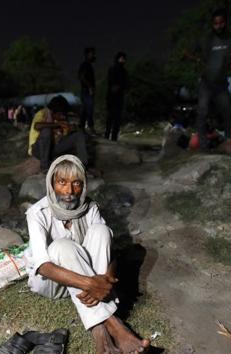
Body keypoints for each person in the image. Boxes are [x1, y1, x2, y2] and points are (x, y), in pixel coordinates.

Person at [24, 155, 150, 354]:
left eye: (76, 183)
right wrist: (92, 285)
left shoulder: (89, 208)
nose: (69, 191)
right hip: (52, 283)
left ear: (83, 186)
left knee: (102, 231)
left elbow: (110, 254)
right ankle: (115, 325)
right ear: (51, 183)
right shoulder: (38, 212)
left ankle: (101, 338)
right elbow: (44, 267)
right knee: (61, 246)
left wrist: (105, 280)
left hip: (86, 282)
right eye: (62, 182)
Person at [184, 8, 231, 149]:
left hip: (221, 84)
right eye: (215, 23)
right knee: (202, 112)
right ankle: (203, 146)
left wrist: (230, 65)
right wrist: (197, 59)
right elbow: (186, 52)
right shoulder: (206, 39)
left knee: (228, 111)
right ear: (212, 24)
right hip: (206, 83)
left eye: (221, 23)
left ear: (225, 23)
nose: (218, 26)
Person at [28, 95, 88, 172]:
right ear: (53, 111)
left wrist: (70, 129)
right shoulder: (42, 113)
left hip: (53, 150)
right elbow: (37, 126)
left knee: (78, 136)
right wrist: (58, 125)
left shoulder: (61, 120)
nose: (62, 116)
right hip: (38, 150)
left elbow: (63, 137)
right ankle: (44, 167)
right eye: (60, 114)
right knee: (46, 131)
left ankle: (83, 166)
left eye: (63, 114)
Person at [105, 52, 129, 141]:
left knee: (117, 119)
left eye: (123, 59)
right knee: (110, 118)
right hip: (111, 98)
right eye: (121, 58)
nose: (122, 60)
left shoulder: (124, 72)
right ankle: (107, 136)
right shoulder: (112, 69)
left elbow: (126, 84)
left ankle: (114, 138)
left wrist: (120, 87)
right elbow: (110, 82)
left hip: (119, 98)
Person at [79, 47, 97, 134]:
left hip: (86, 90)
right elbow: (82, 77)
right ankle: (91, 128)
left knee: (85, 110)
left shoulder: (88, 65)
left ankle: (82, 128)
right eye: (92, 54)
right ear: (87, 55)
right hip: (86, 90)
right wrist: (89, 87)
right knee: (89, 109)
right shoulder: (85, 65)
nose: (94, 55)